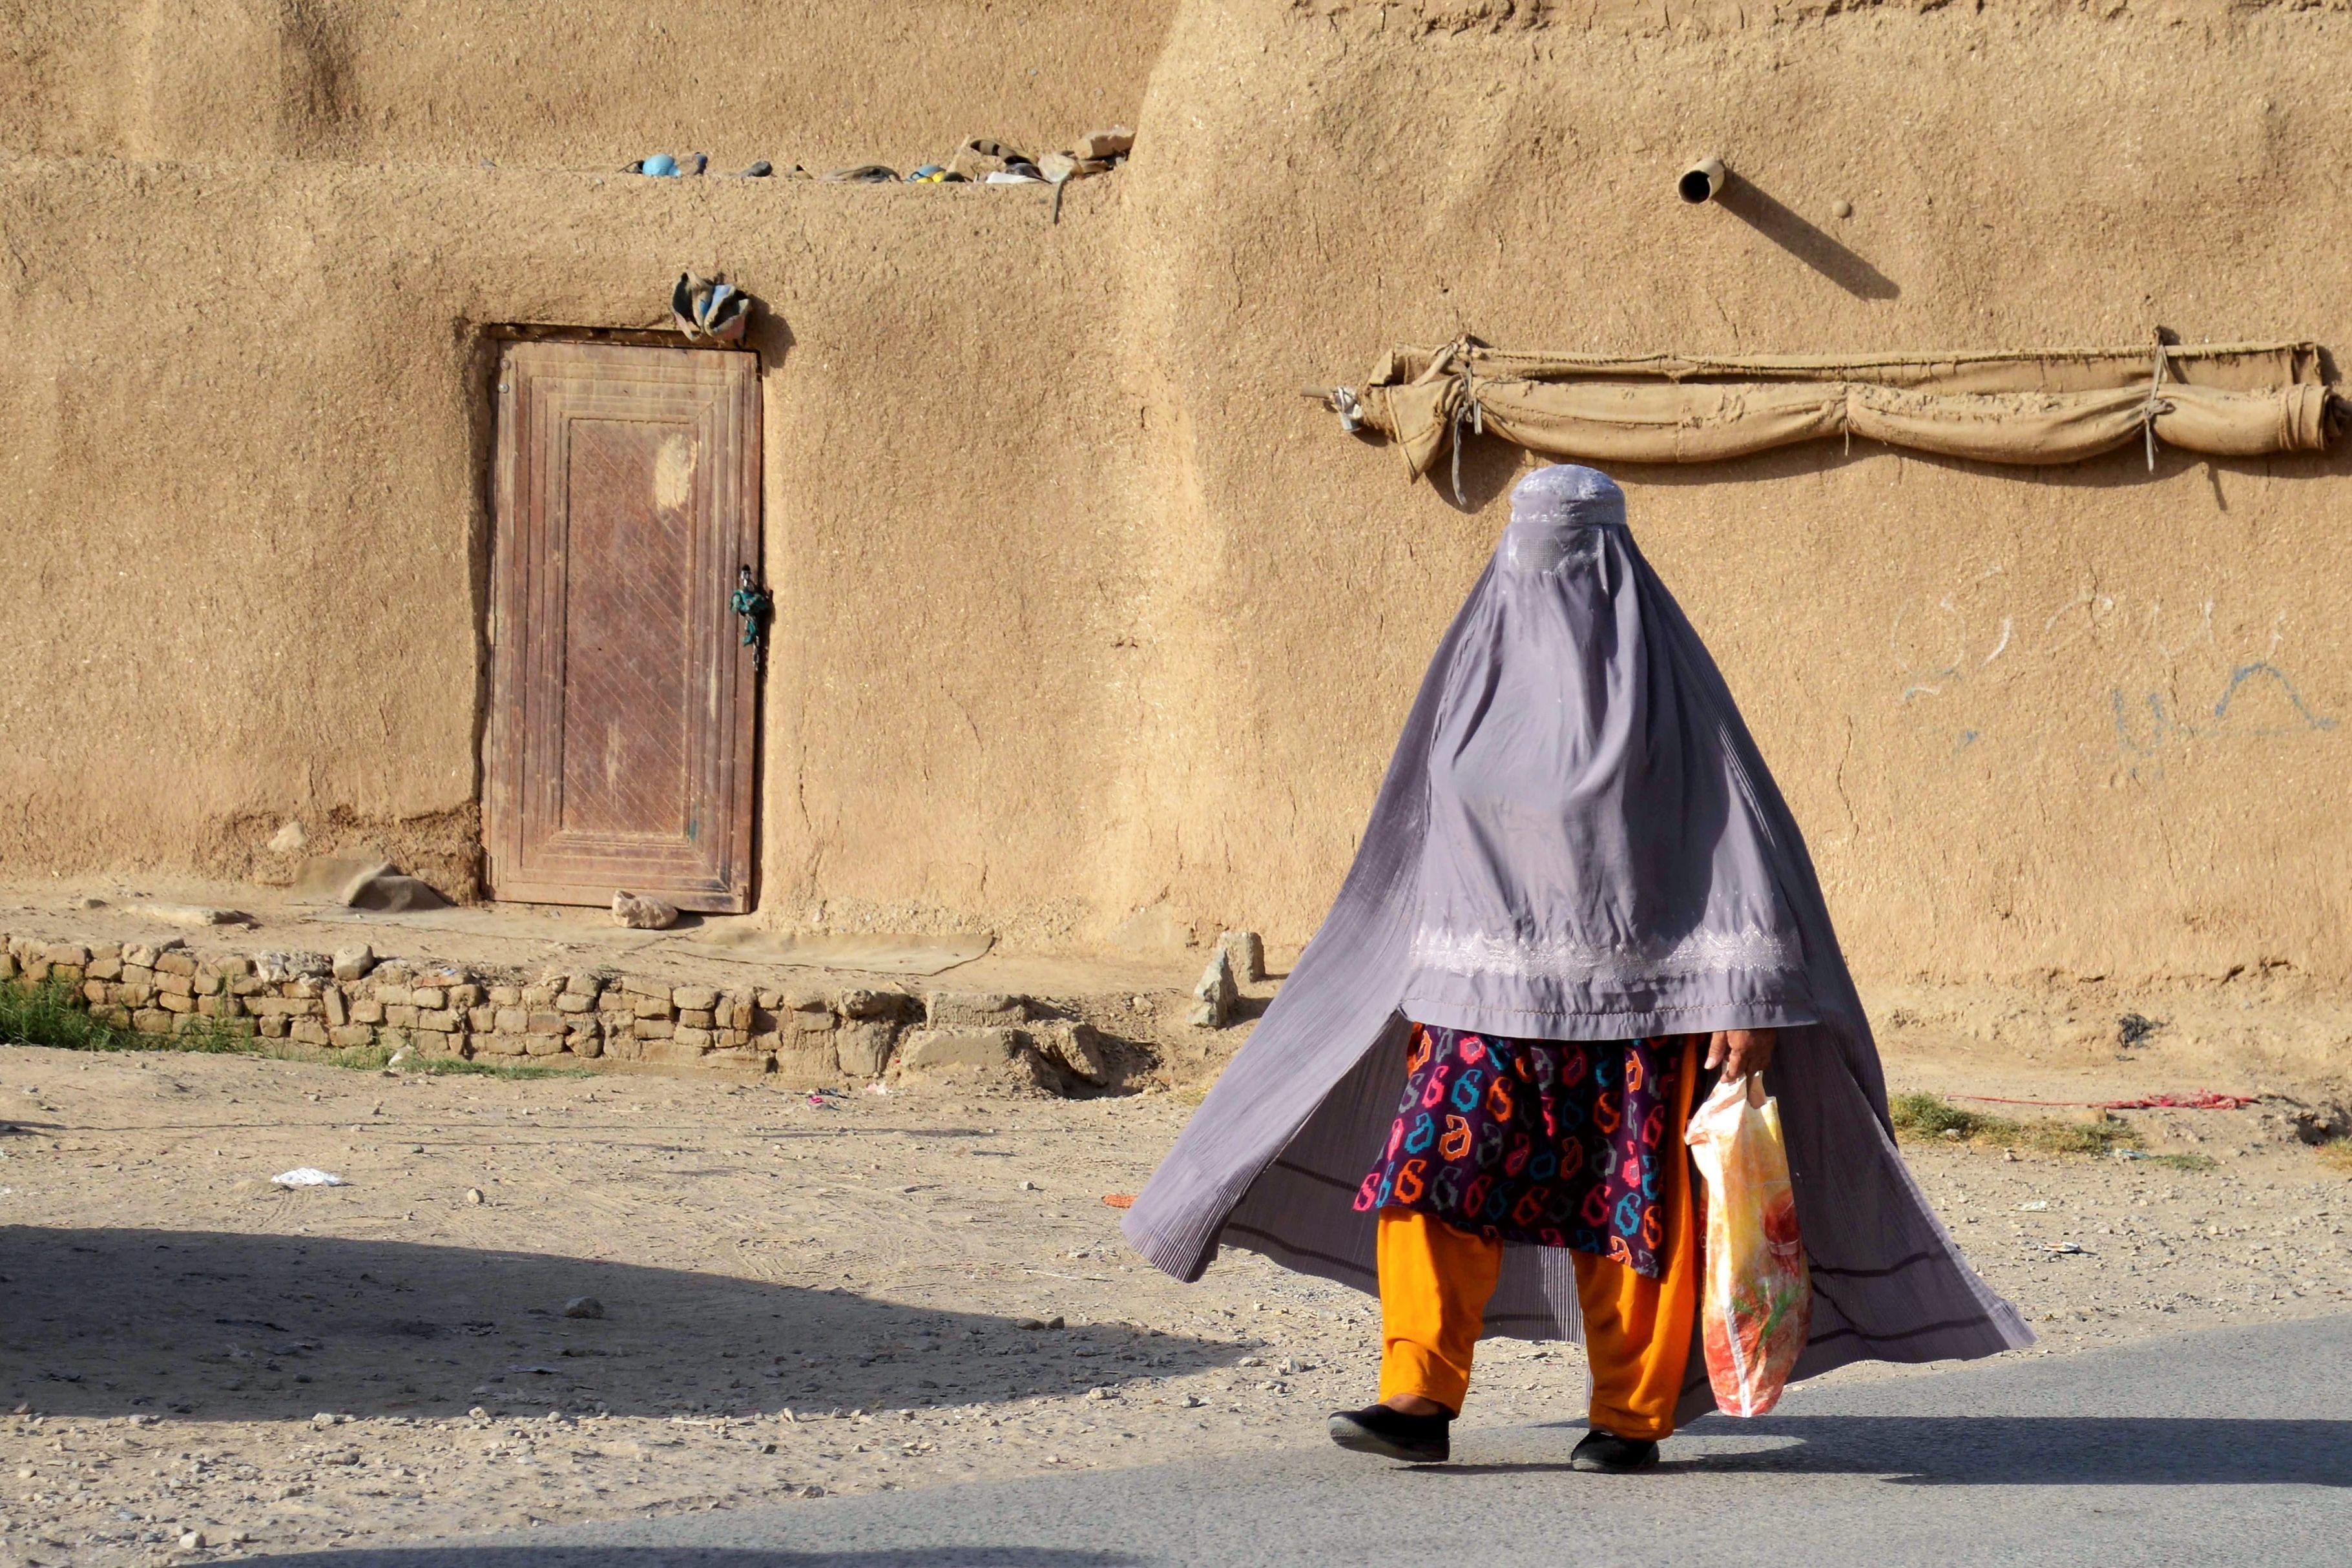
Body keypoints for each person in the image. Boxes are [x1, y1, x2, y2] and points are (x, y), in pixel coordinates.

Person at [1123, 464, 2030, 1469]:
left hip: (1642, 1005)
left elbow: (1737, 846)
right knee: (1430, 1180)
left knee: (1630, 1212)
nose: (1552, 573)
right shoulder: (1470, 684)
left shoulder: (1673, 700)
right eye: (1534, 546)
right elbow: (1414, 840)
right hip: (1480, 997)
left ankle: (1629, 1418)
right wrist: (1404, 976)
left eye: (1577, 552)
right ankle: (1415, 1397)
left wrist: (1744, 997)